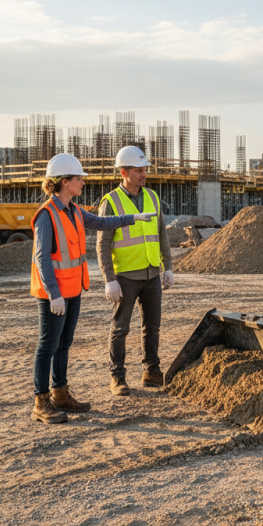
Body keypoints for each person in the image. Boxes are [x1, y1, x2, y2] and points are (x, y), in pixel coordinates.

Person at [31, 153, 154, 424]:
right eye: (79, 178)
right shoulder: (47, 215)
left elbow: (102, 223)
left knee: (63, 344)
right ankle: (41, 402)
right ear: (65, 182)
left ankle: (60, 393)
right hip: (55, 295)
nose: (83, 182)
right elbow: (42, 258)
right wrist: (54, 294)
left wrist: (134, 218)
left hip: (73, 290)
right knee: (47, 345)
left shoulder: (73, 210)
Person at [98, 145, 174, 396]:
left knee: (152, 326)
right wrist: (109, 279)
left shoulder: (152, 197)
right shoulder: (111, 202)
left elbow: (161, 233)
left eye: (145, 170)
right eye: (139, 170)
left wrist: (168, 267)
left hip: (152, 274)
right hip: (126, 276)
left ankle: (151, 372)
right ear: (124, 172)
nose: (144, 174)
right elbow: (103, 243)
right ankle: (117, 377)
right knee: (120, 328)